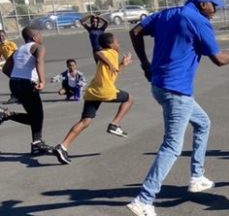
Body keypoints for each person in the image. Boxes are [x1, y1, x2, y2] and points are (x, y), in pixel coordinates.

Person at [126, 0, 229, 216]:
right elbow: (220, 60)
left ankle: (197, 176)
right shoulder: (199, 21)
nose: (215, 9)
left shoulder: (167, 13)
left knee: (203, 122)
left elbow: (135, 31)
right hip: (176, 92)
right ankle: (144, 199)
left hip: (160, 86)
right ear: (202, 3)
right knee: (172, 146)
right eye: (213, 5)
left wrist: (145, 63)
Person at [54, 33, 133, 165]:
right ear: (111, 44)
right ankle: (114, 124)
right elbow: (98, 54)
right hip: (105, 91)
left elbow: (112, 72)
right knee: (129, 99)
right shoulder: (110, 52)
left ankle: (62, 147)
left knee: (85, 121)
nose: (119, 44)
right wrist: (110, 63)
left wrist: (122, 64)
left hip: (93, 91)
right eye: (117, 42)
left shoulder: (112, 55)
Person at [0, 27, 54, 156]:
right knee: (37, 116)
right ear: (35, 37)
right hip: (26, 84)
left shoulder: (18, 50)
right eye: (40, 34)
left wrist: (17, 77)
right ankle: (8, 115)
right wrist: (42, 81)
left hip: (14, 83)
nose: (42, 37)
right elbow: (39, 61)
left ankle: (37, 143)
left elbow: (6, 69)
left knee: (34, 116)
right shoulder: (38, 47)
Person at [0, 30, 19, 104]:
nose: (1, 37)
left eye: (2, 35)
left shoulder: (11, 43)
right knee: (15, 80)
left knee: (14, 80)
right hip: (9, 65)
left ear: (5, 36)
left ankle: (15, 96)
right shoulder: (1, 46)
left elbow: (17, 53)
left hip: (15, 64)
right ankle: (16, 95)